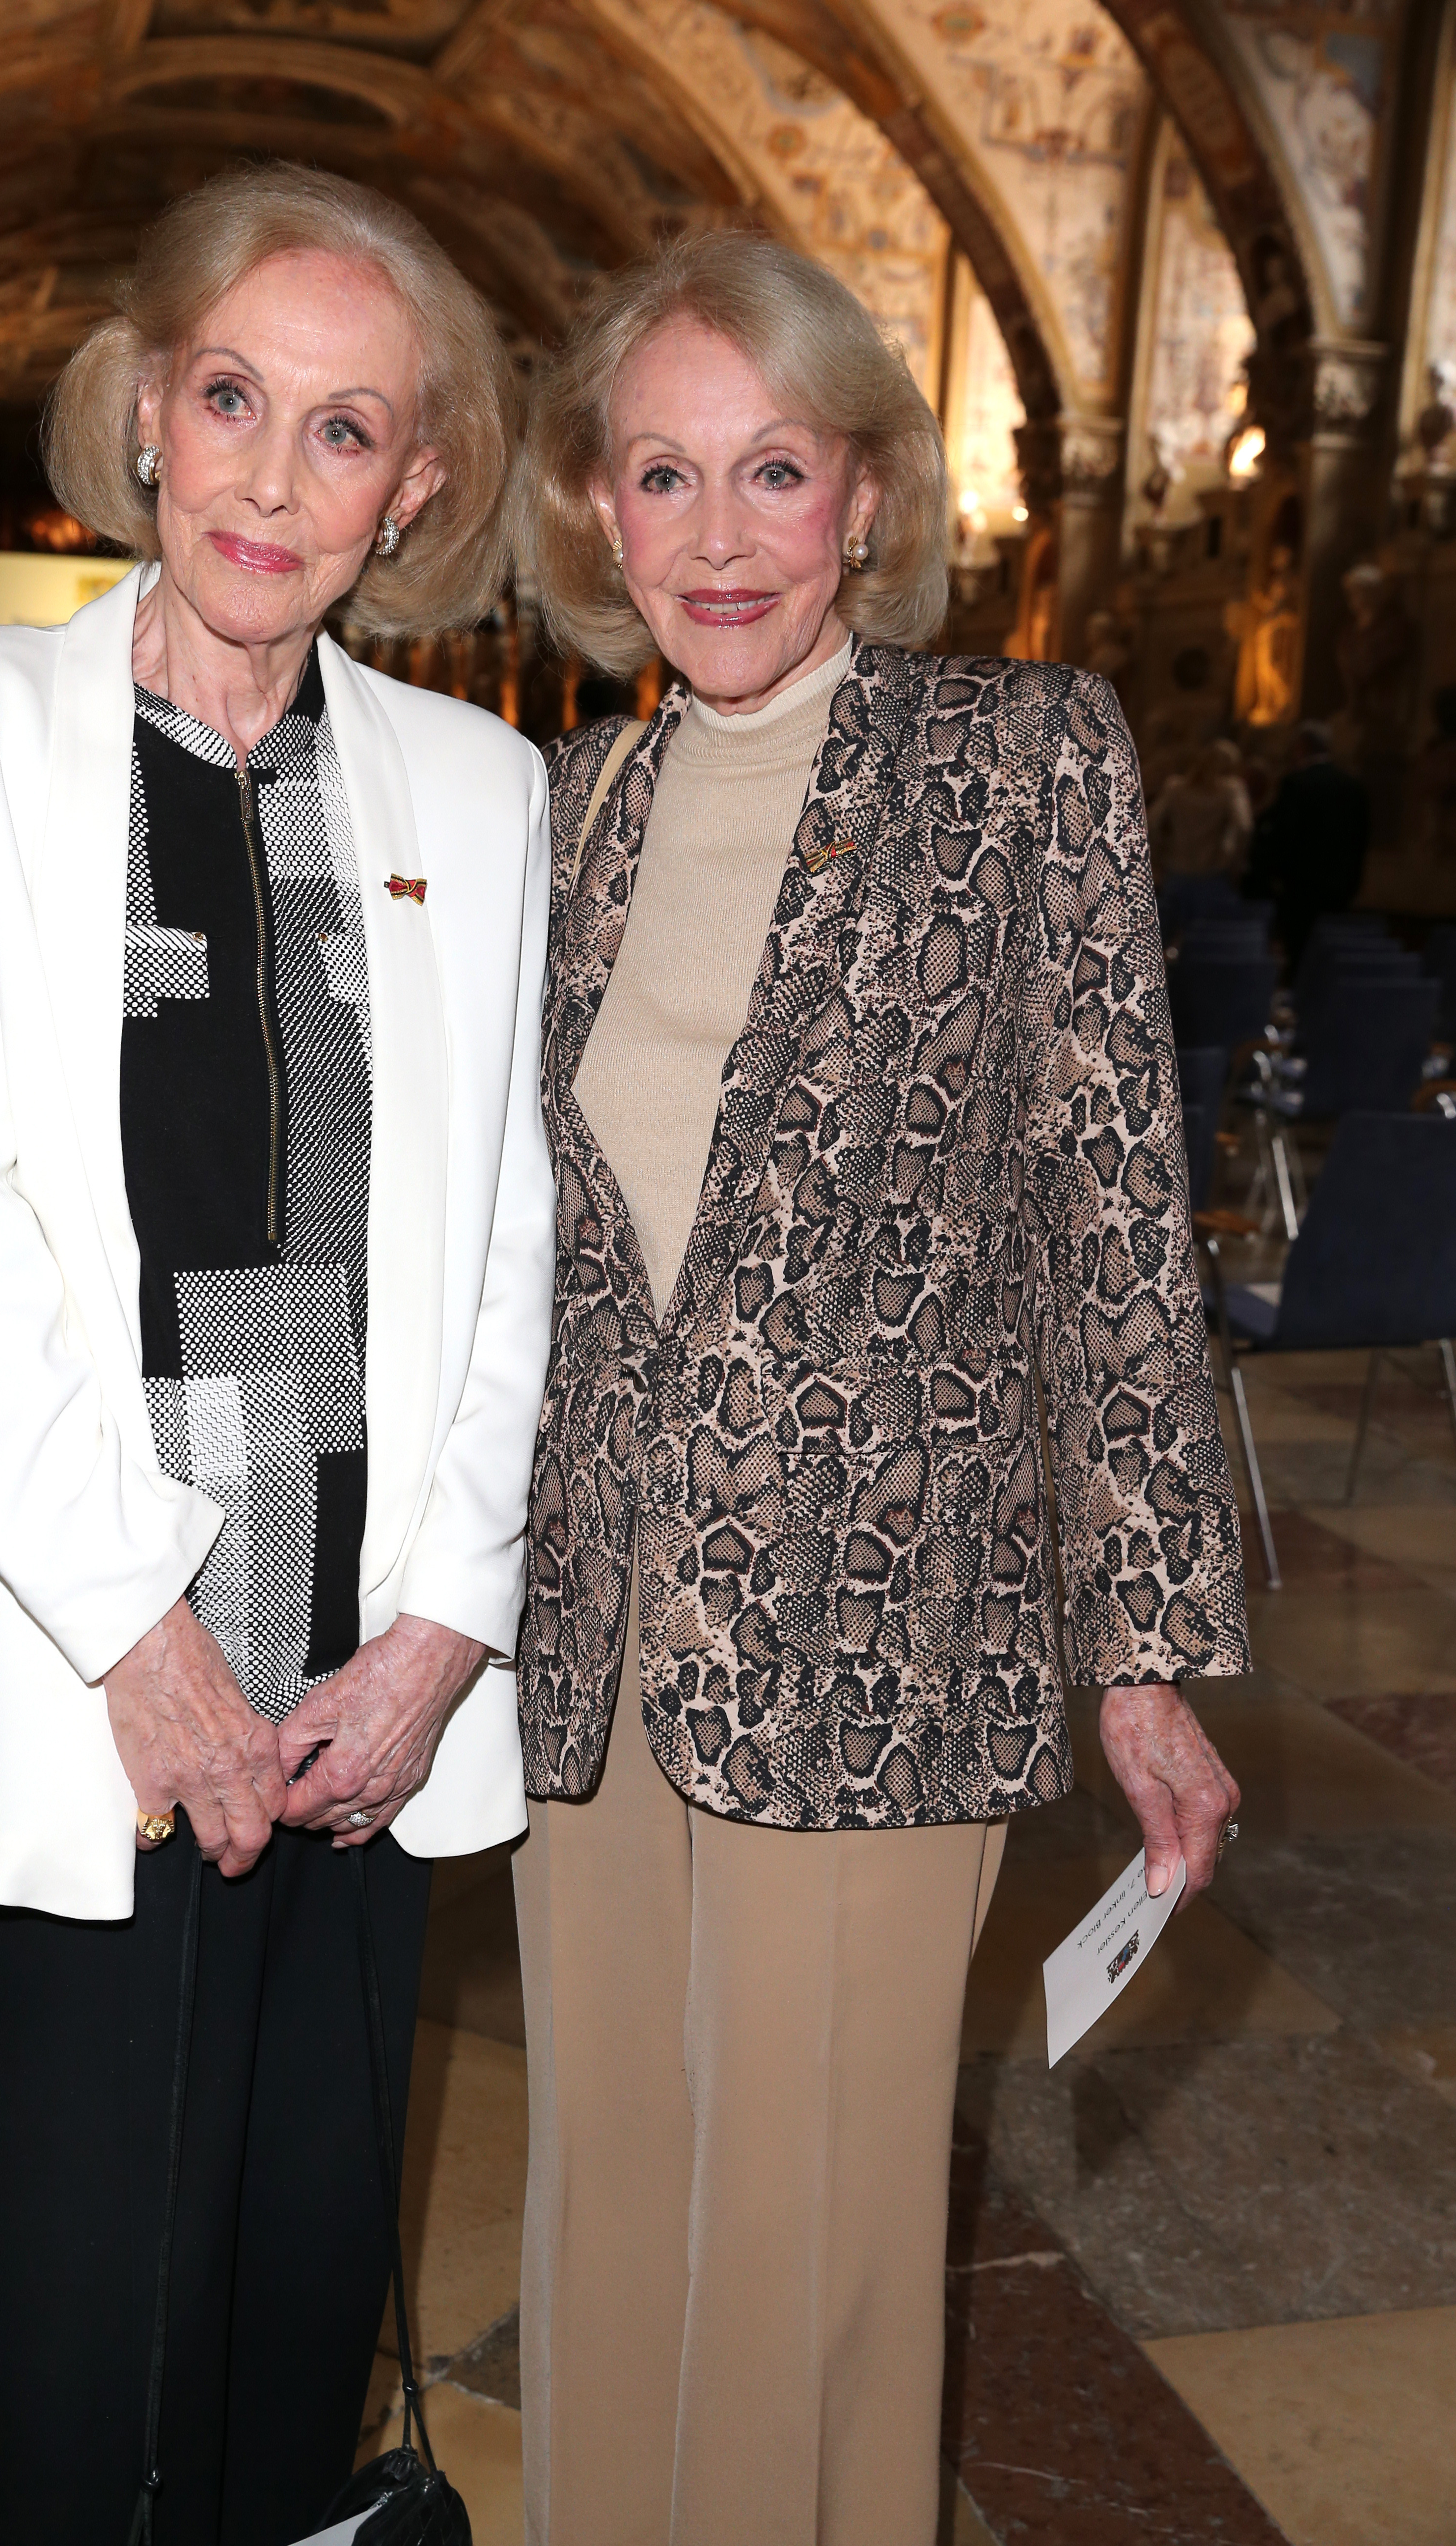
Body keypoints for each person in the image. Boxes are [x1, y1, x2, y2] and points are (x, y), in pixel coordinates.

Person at [0, 163, 554, 2545]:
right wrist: (150, 1646)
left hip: (366, 1720)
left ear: (415, 483)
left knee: (282, 2359)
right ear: (146, 410)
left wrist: (447, 1622)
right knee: (85, 2390)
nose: (271, 471)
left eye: (343, 429)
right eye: (234, 397)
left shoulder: (478, 786)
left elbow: (510, 1240)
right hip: (94, 1704)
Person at [510, 229, 1248, 2546]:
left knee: (810, 2251)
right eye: (661, 475)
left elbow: (1113, 1221)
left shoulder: (1015, 760)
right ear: (591, 514)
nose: (715, 538)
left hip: (884, 1635)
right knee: (605, 2205)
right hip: (593, 1640)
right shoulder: (569, 815)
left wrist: (1141, 1651)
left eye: (771, 472)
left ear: (860, 498)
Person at [1247, 718, 1371, 967]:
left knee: (1298, 957)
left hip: (1300, 889)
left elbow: (1283, 836)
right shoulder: (1353, 787)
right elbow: (1361, 840)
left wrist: (1273, 877)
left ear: (1301, 747)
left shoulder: (1297, 784)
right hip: (1340, 888)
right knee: (1327, 960)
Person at [1149, 735, 1252, 883]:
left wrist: (1156, 859)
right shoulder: (1231, 791)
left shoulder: (1175, 788)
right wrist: (1233, 862)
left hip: (1175, 866)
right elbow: (1244, 827)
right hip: (1210, 870)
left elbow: (1151, 823)